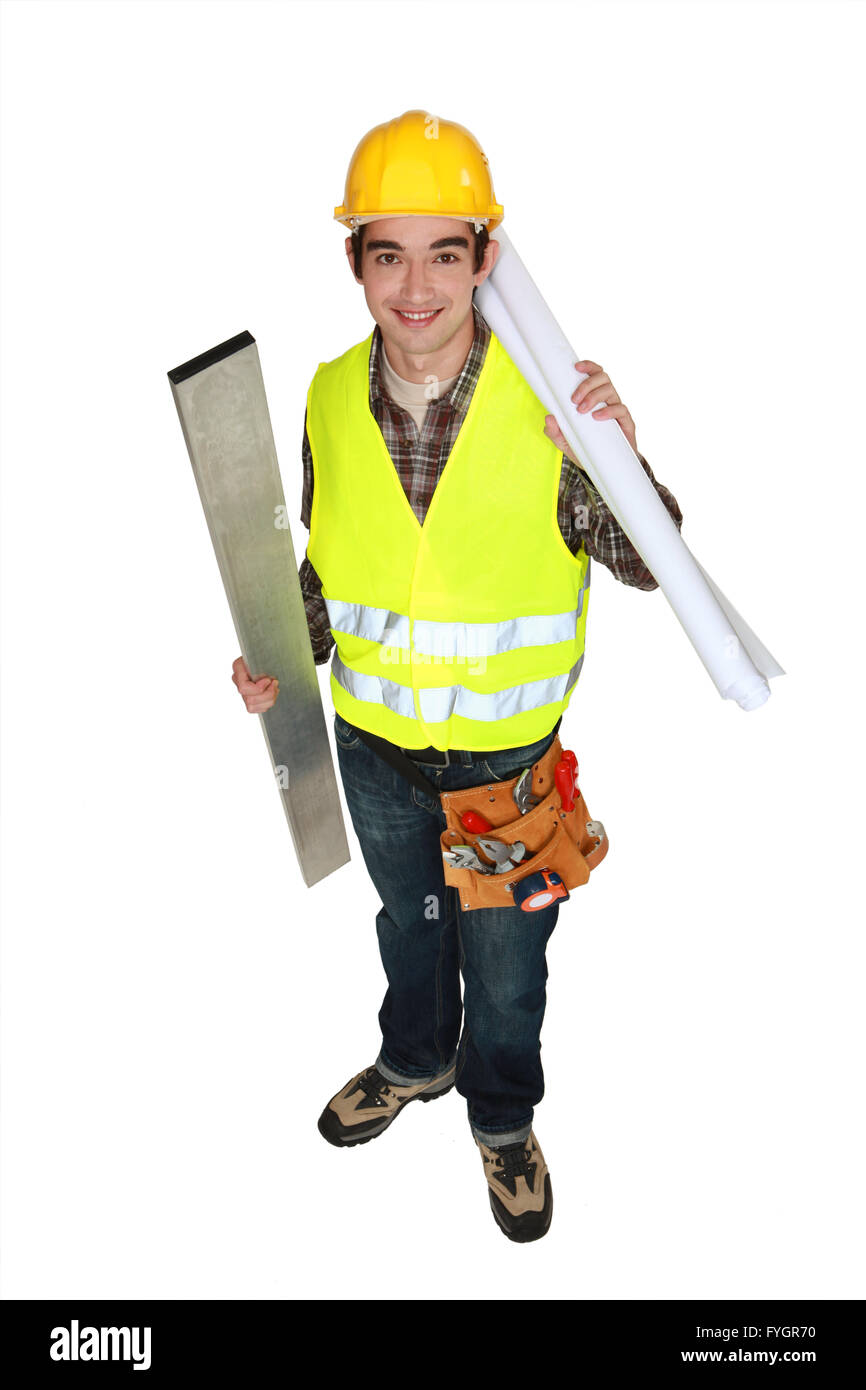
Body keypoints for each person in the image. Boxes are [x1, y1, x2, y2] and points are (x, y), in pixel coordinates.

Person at [232, 111, 683, 1243]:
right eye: (388, 253)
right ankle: (413, 1060)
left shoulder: (550, 396)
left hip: (506, 768)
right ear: (356, 263)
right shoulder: (330, 393)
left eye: (445, 252)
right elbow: (331, 569)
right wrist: (282, 653)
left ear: (487, 257)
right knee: (410, 924)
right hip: (374, 750)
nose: (417, 285)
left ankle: (499, 1119)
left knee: (508, 963)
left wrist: (614, 457)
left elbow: (647, 563)